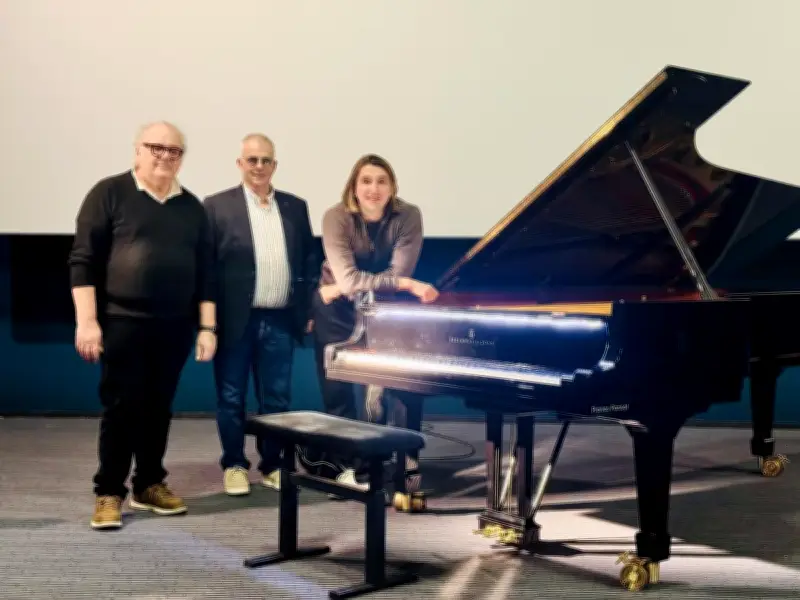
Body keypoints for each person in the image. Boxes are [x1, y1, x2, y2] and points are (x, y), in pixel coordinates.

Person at [68, 121, 217, 530]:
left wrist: (207, 328)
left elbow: (206, 273)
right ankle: (108, 491)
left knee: (158, 408)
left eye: (174, 151)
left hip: (175, 326)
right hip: (121, 323)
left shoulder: (192, 206)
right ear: (137, 150)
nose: (165, 156)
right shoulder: (109, 193)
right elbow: (82, 261)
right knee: (122, 408)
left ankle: (149, 484)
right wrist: (88, 323)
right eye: (157, 148)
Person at [299, 153, 437, 492]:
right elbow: (349, 281)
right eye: (366, 181)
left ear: (392, 187)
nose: (373, 188)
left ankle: (385, 463)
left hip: (384, 311)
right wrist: (405, 285)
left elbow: (390, 274)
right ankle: (347, 468)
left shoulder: (408, 216)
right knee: (339, 395)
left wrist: (393, 281)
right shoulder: (336, 216)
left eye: (381, 181)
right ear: (354, 187)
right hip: (336, 313)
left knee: (381, 395)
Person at [203, 133, 317, 496]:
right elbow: (206, 267)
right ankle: (234, 465)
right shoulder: (217, 206)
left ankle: (274, 465)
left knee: (277, 400)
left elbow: (309, 261)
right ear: (240, 164)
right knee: (232, 397)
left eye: (265, 160)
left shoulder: (295, 206)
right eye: (251, 160)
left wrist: (307, 308)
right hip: (236, 320)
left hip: (281, 319)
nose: (259, 166)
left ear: (275, 166)